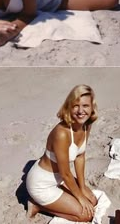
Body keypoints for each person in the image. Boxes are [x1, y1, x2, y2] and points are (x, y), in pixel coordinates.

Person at [26, 84, 98, 223]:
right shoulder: (62, 133)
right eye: (76, 105)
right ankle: (37, 205)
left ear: (92, 107)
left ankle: (61, 198)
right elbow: (65, 173)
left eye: (85, 106)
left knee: (93, 201)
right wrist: (80, 198)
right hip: (42, 183)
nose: (81, 111)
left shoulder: (86, 125)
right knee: (86, 215)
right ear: (69, 107)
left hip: (60, 179)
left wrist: (82, 188)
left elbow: (80, 156)